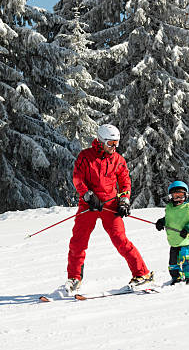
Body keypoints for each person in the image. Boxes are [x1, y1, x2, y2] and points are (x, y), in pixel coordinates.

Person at [65, 124, 153, 294]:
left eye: (116, 143)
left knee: (120, 240)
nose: (114, 147)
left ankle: (142, 274)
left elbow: (125, 182)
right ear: (100, 141)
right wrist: (88, 195)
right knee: (78, 241)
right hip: (89, 204)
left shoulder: (118, 160)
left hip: (110, 204)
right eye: (111, 143)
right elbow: (78, 179)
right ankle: (74, 278)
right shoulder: (85, 157)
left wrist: (124, 201)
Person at [155, 180, 189, 285]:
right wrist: (161, 222)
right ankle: (177, 278)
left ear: (186, 195)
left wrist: (188, 229)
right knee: (173, 262)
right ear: (171, 197)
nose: (179, 199)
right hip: (174, 240)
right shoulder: (170, 208)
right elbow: (169, 219)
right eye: (176, 196)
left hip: (187, 239)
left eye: (181, 196)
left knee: (185, 259)